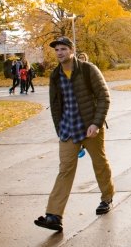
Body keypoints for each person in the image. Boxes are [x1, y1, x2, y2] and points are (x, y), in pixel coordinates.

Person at [34, 37, 115, 232]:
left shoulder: (88, 70)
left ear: (71, 50)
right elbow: (55, 105)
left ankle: (107, 197)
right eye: (56, 50)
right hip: (68, 129)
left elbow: (104, 97)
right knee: (65, 169)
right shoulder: (55, 75)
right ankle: (54, 215)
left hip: (89, 128)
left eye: (63, 49)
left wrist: (96, 123)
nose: (59, 53)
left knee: (100, 162)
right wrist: (59, 128)